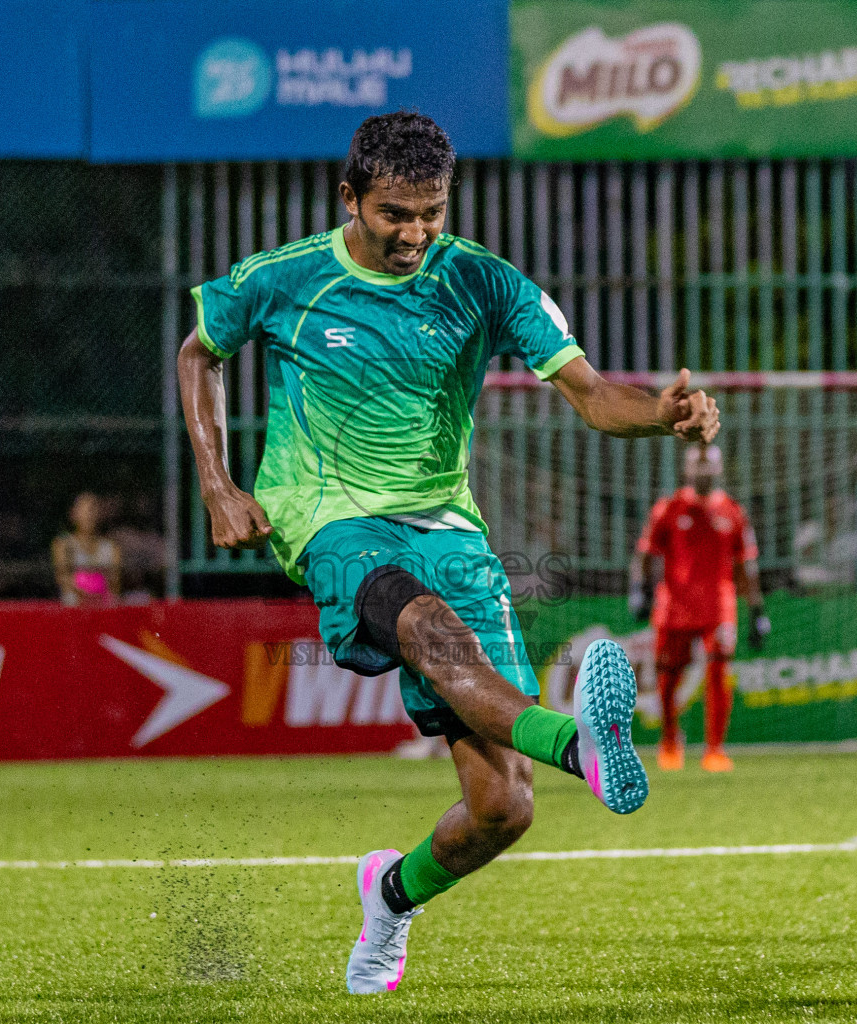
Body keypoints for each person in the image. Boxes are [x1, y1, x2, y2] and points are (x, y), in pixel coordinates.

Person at [178, 111, 719, 995]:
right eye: (395, 214)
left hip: (449, 526)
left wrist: (662, 414)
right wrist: (217, 482)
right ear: (349, 197)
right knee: (427, 627)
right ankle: (580, 745)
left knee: (502, 808)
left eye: (431, 213)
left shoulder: (483, 281)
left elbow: (588, 393)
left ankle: (389, 899)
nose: (415, 235)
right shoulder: (287, 279)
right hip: (328, 520)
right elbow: (200, 351)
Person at [630, 444, 767, 773]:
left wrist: (758, 610)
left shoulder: (733, 512)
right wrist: (638, 589)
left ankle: (715, 749)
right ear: (687, 469)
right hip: (674, 605)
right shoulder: (669, 508)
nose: (704, 471)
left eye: (709, 466)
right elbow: (645, 554)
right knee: (666, 678)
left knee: (719, 674)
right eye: (697, 465)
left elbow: (747, 565)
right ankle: (669, 741)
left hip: (719, 607)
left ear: (718, 469)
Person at [51, 492, 121, 607]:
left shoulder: (112, 547)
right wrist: (85, 594)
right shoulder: (63, 544)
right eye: (83, 509)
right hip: (74, 609)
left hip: (104, 607)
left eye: (92, 508)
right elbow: (62, 578)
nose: (89, 514)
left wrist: (98, 593)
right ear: (73, 513)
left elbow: (116, 583)